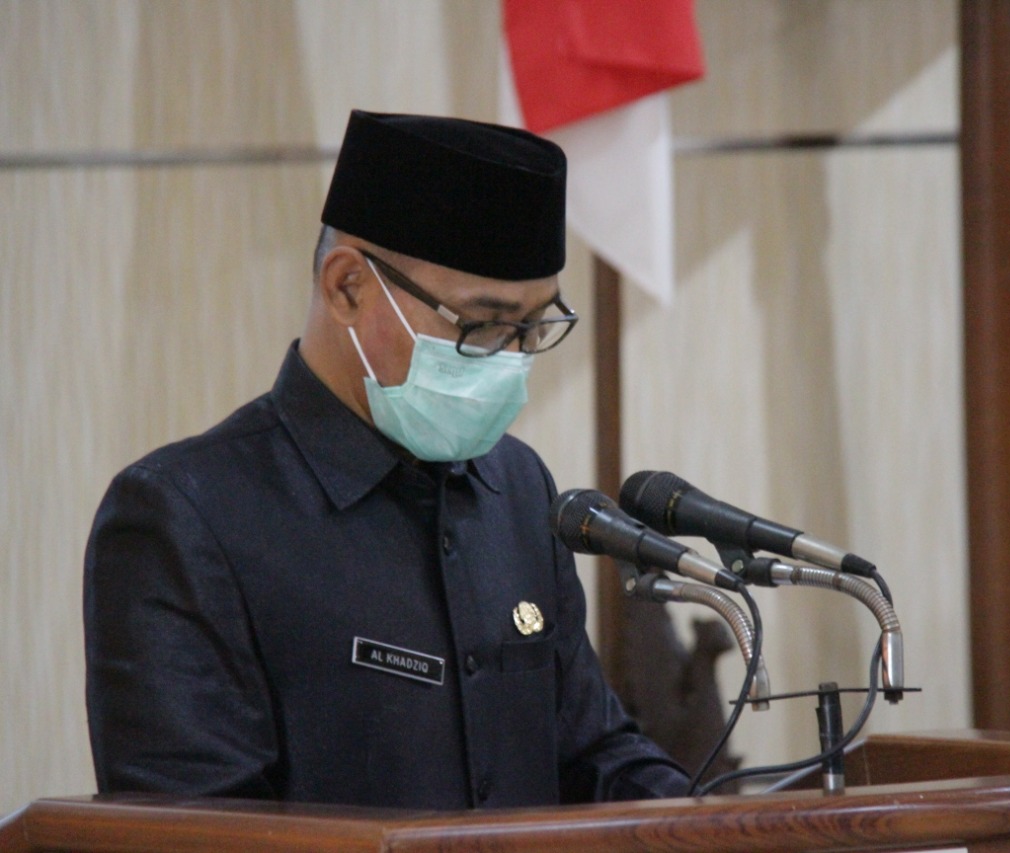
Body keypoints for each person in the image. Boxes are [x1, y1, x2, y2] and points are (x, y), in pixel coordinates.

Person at [83, 110, 690, 809]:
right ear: (346, 287)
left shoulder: (518, 486)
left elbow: (590, 751)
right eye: (482, 326)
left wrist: (716, 823)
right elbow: (197, 825)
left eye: (533, 327)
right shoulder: (183, 516)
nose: (514, 361)